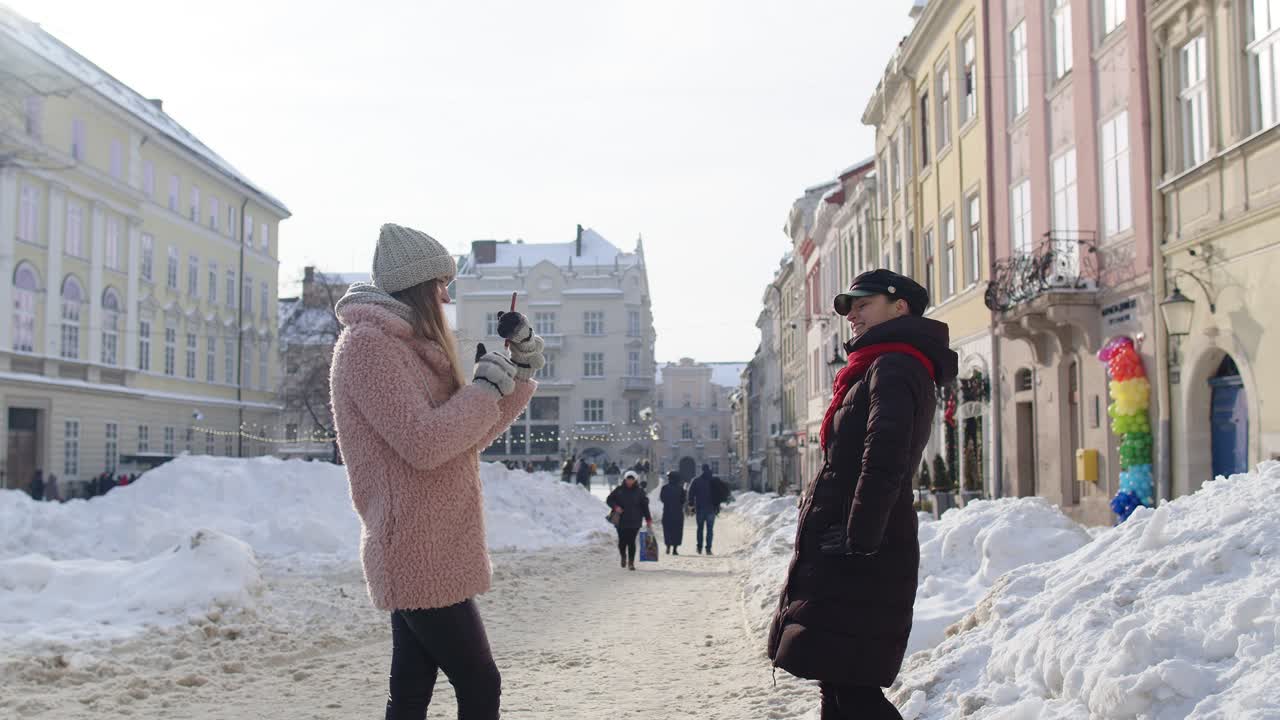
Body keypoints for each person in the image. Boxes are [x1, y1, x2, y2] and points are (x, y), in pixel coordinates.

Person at [330, 223, 544, 720]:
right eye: (440, 283)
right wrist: (483, 390)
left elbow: (464, 438)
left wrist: (517, 374)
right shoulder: (367, 346)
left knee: (411, 687)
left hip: (431, 542)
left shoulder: (411, 347)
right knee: (478, 681)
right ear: (419, 286)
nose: (446, 294)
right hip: (413, 546)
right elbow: (424, 444)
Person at [767, 269, 958, 720]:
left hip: (863, 550)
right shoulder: (874, 365)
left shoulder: (895, 366)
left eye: (863, 303)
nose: (851, 314)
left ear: (900, 307)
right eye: (849, 306)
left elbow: (884, 461)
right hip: (848, 544)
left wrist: (858, 538)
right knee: (836, 682)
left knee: (853, 690)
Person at [605, 470, 653, 570]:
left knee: (631, 542)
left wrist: (648, 519)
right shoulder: (619, 490)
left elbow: (645, 506)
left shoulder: (640, 492)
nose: (629, 481)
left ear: (635, 480)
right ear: (625, 479)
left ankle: (631, 563)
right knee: (622, 542)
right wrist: (616, 507)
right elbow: (609, 500)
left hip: (635, 521)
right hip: (621, 520)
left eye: (632, 479)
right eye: (628, 479)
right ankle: (623, 556)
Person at [686, 464, 722, 554]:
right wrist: (717, 506)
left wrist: (691, 505)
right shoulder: (714, 481)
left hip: (700, 508)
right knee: (710, 530)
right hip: (711, 509)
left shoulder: (696, 481)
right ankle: (708, 549)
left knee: (700, 529)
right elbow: (719, 495)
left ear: (702, 470)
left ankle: (699, 547)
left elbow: (691, 493)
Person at [659, 471, 686, 555]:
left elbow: (662, 498)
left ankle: (668, 546)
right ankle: (675, 549)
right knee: (677, 531)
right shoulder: (680, 488)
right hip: (678, 513)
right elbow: (683, 500)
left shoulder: (664, 488)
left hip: (667, 512)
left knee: (667, 530)